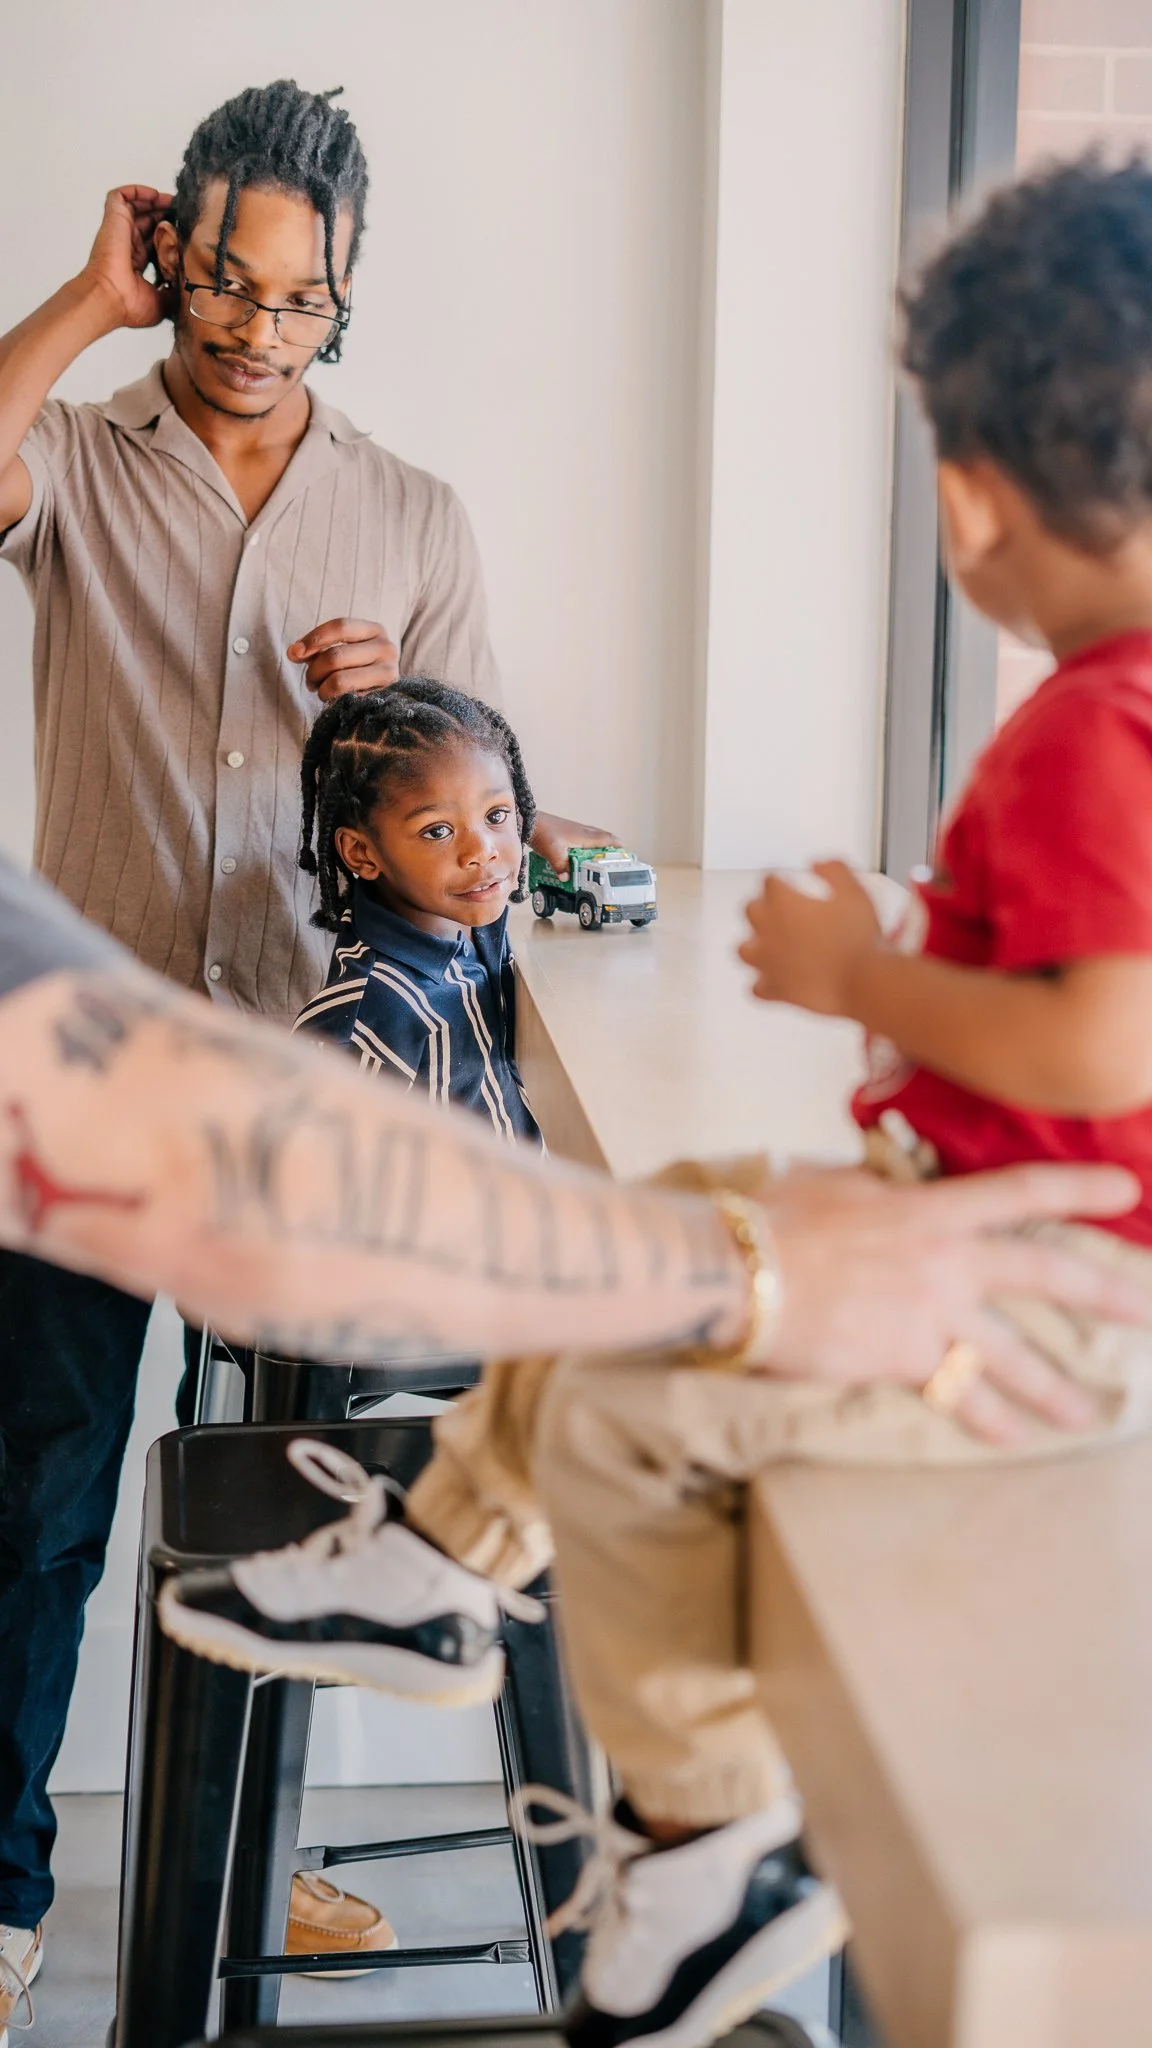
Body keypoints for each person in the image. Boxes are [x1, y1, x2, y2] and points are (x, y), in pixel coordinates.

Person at [160, 153, 1152, 2048]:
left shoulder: (1097, 726)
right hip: (991, 1224)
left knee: (623, 1421)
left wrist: (866, 979)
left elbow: (1106, 1045)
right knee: (652, 1217)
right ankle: (443, 1562)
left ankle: (703, 1845)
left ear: (968, 492)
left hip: (1032, 1298)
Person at [0, 77, 610, 1980]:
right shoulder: (83, 461)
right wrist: (80, 308)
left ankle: (253, 1869)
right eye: (225, 288)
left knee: (286, 1522)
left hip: (307, 1093)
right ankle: (6, 1895)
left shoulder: (410, 513)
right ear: (174, 255)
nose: (259, 332)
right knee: (36, 1499)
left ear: (349, 297)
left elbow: (501, 821)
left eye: (301, 302)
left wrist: (411, 703)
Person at [293, 680, 542, 1143]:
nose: (481, 852)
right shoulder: (370, 1015)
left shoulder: (474, 927)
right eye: (437, 831)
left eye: (496, 815)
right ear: (362, 853)